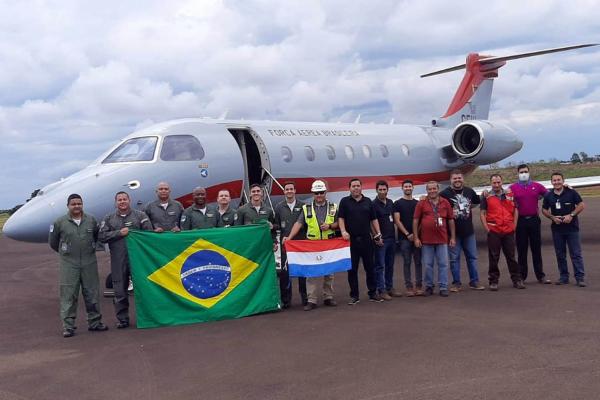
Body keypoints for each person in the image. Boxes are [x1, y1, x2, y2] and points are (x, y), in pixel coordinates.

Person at [49, 194, 108, 338]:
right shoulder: (59, 222)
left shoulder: (91, 220)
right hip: (69, 263)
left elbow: (96, 236)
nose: (76, 206)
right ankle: (68, 326)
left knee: (91, 292)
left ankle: (94, 323)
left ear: (82, 204)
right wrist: (66, 253)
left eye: (79, 203)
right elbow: (53, 242)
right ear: (68, 206)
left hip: (89, 261)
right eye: (73, 204)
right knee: (69, 294)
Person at [99, 191, 153, 328]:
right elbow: (102, 236)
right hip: (119, 259)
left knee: (143, 289)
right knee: (120, 290)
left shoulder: (140, 215)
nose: (122, 202)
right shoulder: (109, 218)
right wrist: (118, 233)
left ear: (129, 200)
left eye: (124, 199)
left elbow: (149, 233)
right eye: (119, 200)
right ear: (115, 202)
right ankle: (122, 319)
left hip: (138, 259)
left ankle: (146, 317)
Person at [283, 180, 338, 311]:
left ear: (325, 193)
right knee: (310, 273)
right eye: (316, 193)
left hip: (328, 242)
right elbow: (299, 223)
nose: (319, 195)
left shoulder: (333, 207)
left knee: (329, 272)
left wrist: (330, 226)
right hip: (312, 244)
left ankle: (328, 297)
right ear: (313, 194)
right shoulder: (307, 208)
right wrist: (289, 238)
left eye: (321, 192)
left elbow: (339, 223)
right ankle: (311, 300)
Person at [338, 178, 383, 304]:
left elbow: (373, 219)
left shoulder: (368, 201)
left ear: (361, 187)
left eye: (358, 186)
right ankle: (354, 296)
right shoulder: (345, 201)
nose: (356, 188)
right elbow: (341, 218)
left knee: (370, 268)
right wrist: (343, 231)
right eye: (353, 186)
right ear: (350, 188)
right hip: (351, 241)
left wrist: (378, 233)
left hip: (366, 240)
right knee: (352, 270)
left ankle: (373, 293)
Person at [440, 170, 485, 291]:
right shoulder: (444, 194)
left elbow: (477, 201)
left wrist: (486, 194)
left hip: (468, 232)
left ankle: (474, 281)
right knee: (454, 259)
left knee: (472, 257)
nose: (457, 180)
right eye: (454, 178)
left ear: (463, 179)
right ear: (450, 180)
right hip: (453, 234)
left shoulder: (469, 191)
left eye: (459, 178)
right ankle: (456, 283)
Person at [480, 174, 525, 291]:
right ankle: (493, 281)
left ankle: (517, 279)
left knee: (511, 257)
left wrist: (514, 225)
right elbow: (482, 213)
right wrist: (487, 229)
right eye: (494, 183)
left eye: (498, 182)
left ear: (502, 182)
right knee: (494, 257)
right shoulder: (486, 196)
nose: (496, 185)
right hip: (494, 230)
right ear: (491, 183)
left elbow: (515, 210)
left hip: (508, 230)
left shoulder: (510, 194)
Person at [542, 172, 586, 287]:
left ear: (563, 180)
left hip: (572, 228)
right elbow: (544, 210)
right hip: (557, 229)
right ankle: (564, 277)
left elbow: (581, 204)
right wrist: (552, 217)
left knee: (576, 254)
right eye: (554, 180)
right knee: (560, 254)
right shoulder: (548, 196)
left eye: (558, 180)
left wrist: (571, 215)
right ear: (551, 182)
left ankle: (580, 277)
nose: (557, 182)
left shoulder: (571, 192)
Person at [509, 164, 551, 284]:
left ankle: (540, 275)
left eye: (525, 171)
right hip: (520, 222)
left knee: (536, 249)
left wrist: (565, 187)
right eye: (521, 172)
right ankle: (522, 276)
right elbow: (503, 197)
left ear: (529, 172)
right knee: (522, 250)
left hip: (534, 220)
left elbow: (550, 195)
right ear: (518, 173)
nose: (524, 174)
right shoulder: (512, 188)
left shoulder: (537, 186)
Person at [413, 181, 455, 297]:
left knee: (443, 264)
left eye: (434, 189)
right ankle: (429, 286)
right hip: (426, 240)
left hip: (442, 239)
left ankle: (443, 286)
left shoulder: (445, 202)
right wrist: (416, 237)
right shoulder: (422, 203)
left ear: (438, 189)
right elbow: (416, 220)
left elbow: (451, 220)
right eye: (430, 189)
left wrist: (453, 237)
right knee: (428, 264)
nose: (432, 191)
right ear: (427, 191)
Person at [273, 182, 308, 308]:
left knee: (302, 273)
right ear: (284, 192)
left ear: (295, 191)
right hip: (285, 245)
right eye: (286, 189)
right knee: (285, 273)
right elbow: (276, 225)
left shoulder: (303, 206)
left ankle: (305, 298)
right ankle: (286, 300)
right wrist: (273, 226)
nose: (289, 191)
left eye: (291, 189)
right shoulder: (279, 207)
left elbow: (307, 224)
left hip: (300, 244)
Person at [393, 180, 423, 297]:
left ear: (413, 188)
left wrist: (415, 235)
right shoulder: (398, 203)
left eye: (409, 186)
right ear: (402, 188)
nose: (408, 188)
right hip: (404, 238)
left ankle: (419, 285)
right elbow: (397, 220)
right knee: (407, 262)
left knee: (418, 261)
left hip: (417, 238)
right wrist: (407, 234)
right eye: (406, 186)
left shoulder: (417, 203)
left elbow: (420, 220)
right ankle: (409, 287)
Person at [373, 180, 401, 300]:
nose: (383, 192)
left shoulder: (390, 202)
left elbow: (395, 220)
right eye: (380, 190)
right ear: (377, 190)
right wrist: (376, 236)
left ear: (387, 190)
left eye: (385, 190)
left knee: (390, 265)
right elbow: (372, 222)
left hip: (391, 238)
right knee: (380, 266)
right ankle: (382, 290)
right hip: (381, 240)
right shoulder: (373, 204)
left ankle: (390, 288)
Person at [236, 184, 277, 249]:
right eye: (253, 191)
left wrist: (274, 242)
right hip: (248, 245)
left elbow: (272, 229)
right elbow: (237, 229)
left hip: (264, 244)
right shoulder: (241, 210)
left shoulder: (269, 211)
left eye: (258, 191)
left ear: (262, 193)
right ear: (250, 194)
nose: (256, 193)